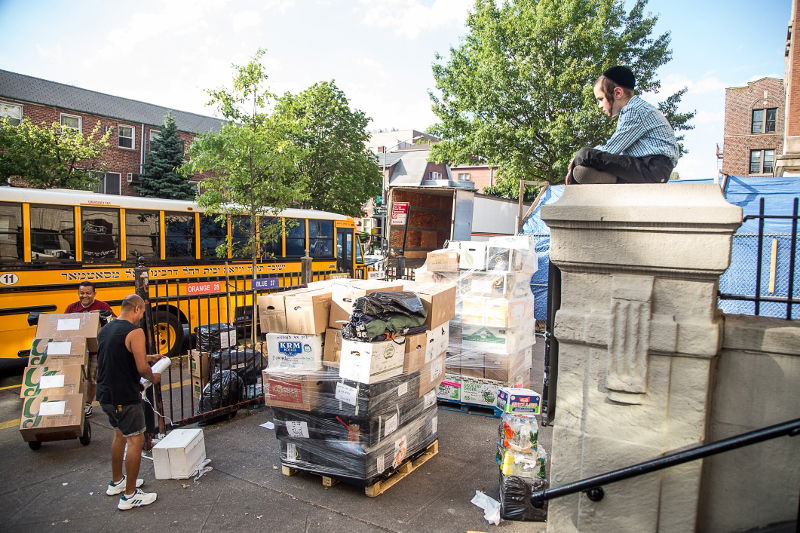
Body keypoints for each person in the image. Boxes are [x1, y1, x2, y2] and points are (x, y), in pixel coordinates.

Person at [96, 294, 162, 510]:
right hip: (125, 395)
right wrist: (153, 376)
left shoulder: (107, 328)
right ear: (137, 308)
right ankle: (130, 495)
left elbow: (118, 355)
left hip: (106, 395)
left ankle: (116, 482)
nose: (142, 316)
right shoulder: (135, 331)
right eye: (142, 312)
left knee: (119, 435)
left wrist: (148, 357)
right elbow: (142, 369)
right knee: (135, 440)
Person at [566, 66, 680, 184]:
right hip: (648, 168)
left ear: (618, 93)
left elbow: (611, 150)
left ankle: (572, 197)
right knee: (583, 170)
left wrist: (578, 159)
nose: (599, 106)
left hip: (651, 167)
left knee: (585, 154)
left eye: (600, 99)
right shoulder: (638, 109)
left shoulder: (635, 110)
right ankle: (613, 180)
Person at [64, 281, 116, 417]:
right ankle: (74, 403)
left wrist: (102, 314)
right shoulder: (71, 308)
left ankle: (87, 404)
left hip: (95, 351)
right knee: (75, 379)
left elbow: (114, 323)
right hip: (76, 351)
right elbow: (63, 327)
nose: (84, 296)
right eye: (82, 293)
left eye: (88, 293)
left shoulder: (102, 306)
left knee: (92, 379)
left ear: (94, 294)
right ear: (78, 293)